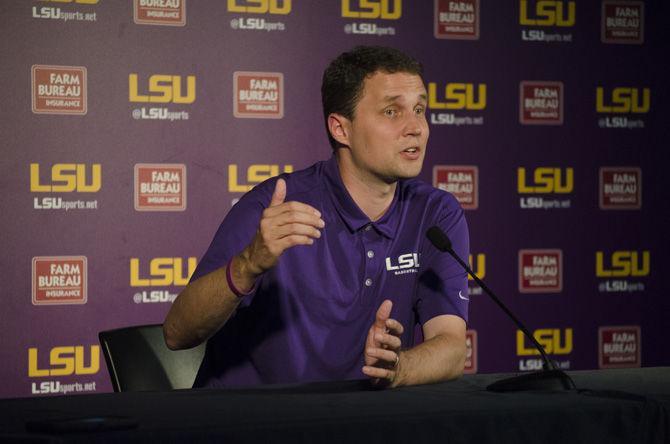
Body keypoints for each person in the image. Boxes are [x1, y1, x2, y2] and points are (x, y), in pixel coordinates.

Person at [164, 46, 469, 388]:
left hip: (350, 424)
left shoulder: (434, 213)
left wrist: (399, 368)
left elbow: (453, 347)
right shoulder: (274, 205)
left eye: (419, 109)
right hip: (249, 424)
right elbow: (177, 333)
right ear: (341, 129)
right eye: (391, 111)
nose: (416, 128)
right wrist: (248, 264)